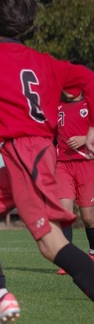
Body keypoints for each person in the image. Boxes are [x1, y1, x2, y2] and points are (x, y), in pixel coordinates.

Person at [0, 0, 94, 324]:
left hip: (26, 155)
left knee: (51, 245)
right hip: (30, 155)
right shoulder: (47, 62)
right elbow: (90, 80)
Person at [55, 87, 94, 274]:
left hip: (87, 164)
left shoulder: (90, 105)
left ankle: (93, 252)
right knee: (64, 212)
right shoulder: (57, 107)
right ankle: (67, 261)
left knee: (88, 217)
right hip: (63, 165)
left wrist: (85, 139)